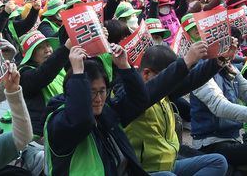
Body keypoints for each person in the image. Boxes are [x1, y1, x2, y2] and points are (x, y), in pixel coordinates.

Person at [44, 44, 150, 175]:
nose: (98, 99)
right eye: (91, 92)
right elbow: (81, 121)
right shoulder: (59, 121)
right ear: (76, 90)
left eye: (102, 91)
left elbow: (139, 101)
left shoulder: (105, 111)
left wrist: (124, 66)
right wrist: (77, 73)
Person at [124, 44, 228, 175]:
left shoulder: (164, 93)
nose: (171, 82)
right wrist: (187, 61)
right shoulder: (130, 96)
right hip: (145, 171)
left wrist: (220, 60)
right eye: (167, 77)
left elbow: (191, 80)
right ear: (146, 73)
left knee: (218, 162)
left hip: (170, 164)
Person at [190, 36, 247, 173]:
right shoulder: (199, 70)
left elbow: (244, 89)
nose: (234, 51)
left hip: (233, 138)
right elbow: (219, 106)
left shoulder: (229, 66)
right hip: (211, 143)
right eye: (230, 46)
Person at [18, 30, 70, 137]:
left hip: (64, 122)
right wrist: (65, 49)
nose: (47, 50)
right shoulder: (24, 75)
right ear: (30, 54)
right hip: (42, 134)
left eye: (48, 45)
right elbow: (44, 74)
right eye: (40, 47)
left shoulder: (60, 68)